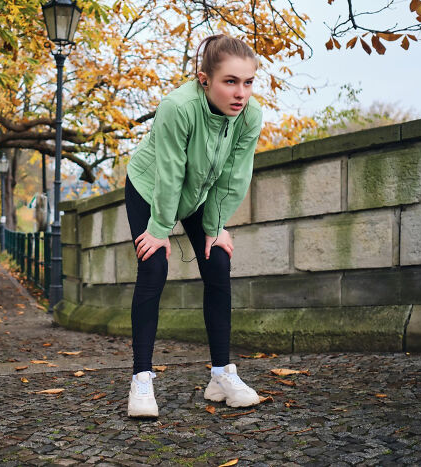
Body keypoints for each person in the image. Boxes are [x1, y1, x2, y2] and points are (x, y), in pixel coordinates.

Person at [124, 34, 263, 418]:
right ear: (205, 80)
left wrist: (216, 226)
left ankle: (220, 375)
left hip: (198, 195)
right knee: (154, 266)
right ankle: (141, 379)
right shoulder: (178, 107)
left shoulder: (250, 116)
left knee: (218, 262)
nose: (240, 93)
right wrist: (159, 229)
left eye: (248, 82)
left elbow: (235, 176)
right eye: (230, 81)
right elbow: (170, 173)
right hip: (151, 188)